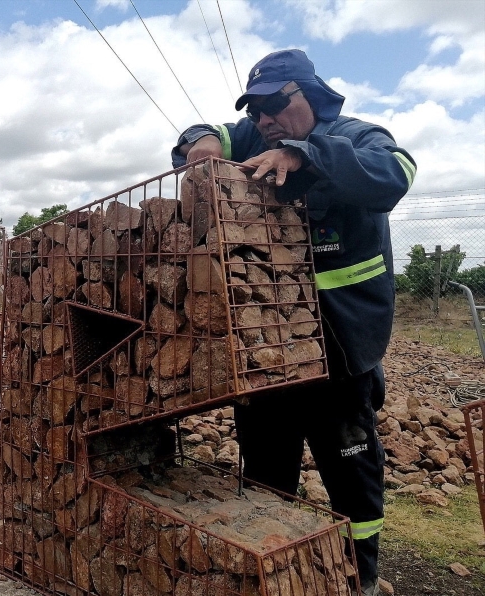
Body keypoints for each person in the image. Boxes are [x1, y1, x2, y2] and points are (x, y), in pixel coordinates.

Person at [172, 49, 416, 596]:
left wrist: (307, 154)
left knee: (349, 462)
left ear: (306, 94)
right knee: (265, 458)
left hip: (340, 341)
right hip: (264, 344)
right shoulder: (252, 133)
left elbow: (396, 173)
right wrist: (198, 141)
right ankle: (272, 567)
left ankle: (361, 573)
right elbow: (206, 131)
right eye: (253, 111)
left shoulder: (356, 136)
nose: (262, 121)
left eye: (271, 107)